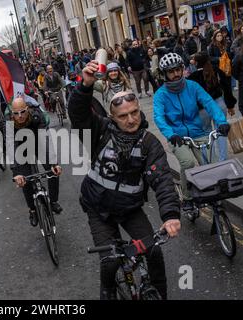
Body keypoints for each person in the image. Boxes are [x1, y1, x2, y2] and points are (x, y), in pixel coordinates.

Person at [68, 60, 181, 300]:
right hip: (97, 208)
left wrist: (170, 215)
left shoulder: (149, 143)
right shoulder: (100, 131)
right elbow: (78, 114)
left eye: (134, 113)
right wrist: (85, 86)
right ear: (112, 117)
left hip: (129, 209)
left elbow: (162, 179)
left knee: (153, 253)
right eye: (123, 116)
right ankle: (107, 292)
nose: (130, 120)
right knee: (109, 262)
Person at [153, 52, 229, 212]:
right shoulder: (160, 95)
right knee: (187, 162)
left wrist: (222, 122)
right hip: (177, 136)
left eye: (178, 69)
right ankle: (187, 198)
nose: (175, 74)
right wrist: (170, 134)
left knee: (212, 164)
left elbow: (209, 103)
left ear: (182, 69)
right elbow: (159, 117)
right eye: (171, 71)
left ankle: (212, 194)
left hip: (198, 132)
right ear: (164, 74)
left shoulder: (192, 86)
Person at [11, 97, 63, 226]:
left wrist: (54, 162)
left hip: (39, 142)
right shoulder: (9, 124)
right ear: (12, 113)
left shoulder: (36, 116)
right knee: (25, 179)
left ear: (27, 109)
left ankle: (54, 202)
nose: (19, 116)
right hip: (21, 148)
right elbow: (12, 149)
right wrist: (16, 173)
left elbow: (45, 140)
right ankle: (32, 210)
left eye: (22, 112)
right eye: (16, 113)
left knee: (52, 169)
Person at [188, 52, 233, 161]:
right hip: (219, 104)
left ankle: (211, 158)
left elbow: (190, 97)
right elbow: (227, 88)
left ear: (197, 63)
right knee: (221, 131)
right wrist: (230, 105)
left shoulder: (192, 77)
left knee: (207, 133)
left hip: (203, 109)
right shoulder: (216, 71)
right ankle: (223, 158)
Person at [208, 30, 237, 111]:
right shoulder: (212, 46)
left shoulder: (225, 44)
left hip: (227, 68)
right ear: (214, 37)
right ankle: (226, 105)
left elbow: (231, 54)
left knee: (228, 86)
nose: (219, 37)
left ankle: (230, 104)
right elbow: (210, 58)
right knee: (223, 87)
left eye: (220, 35)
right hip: (218, 69)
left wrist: (228, 55)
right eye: (217, 36)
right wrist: (219, 59)